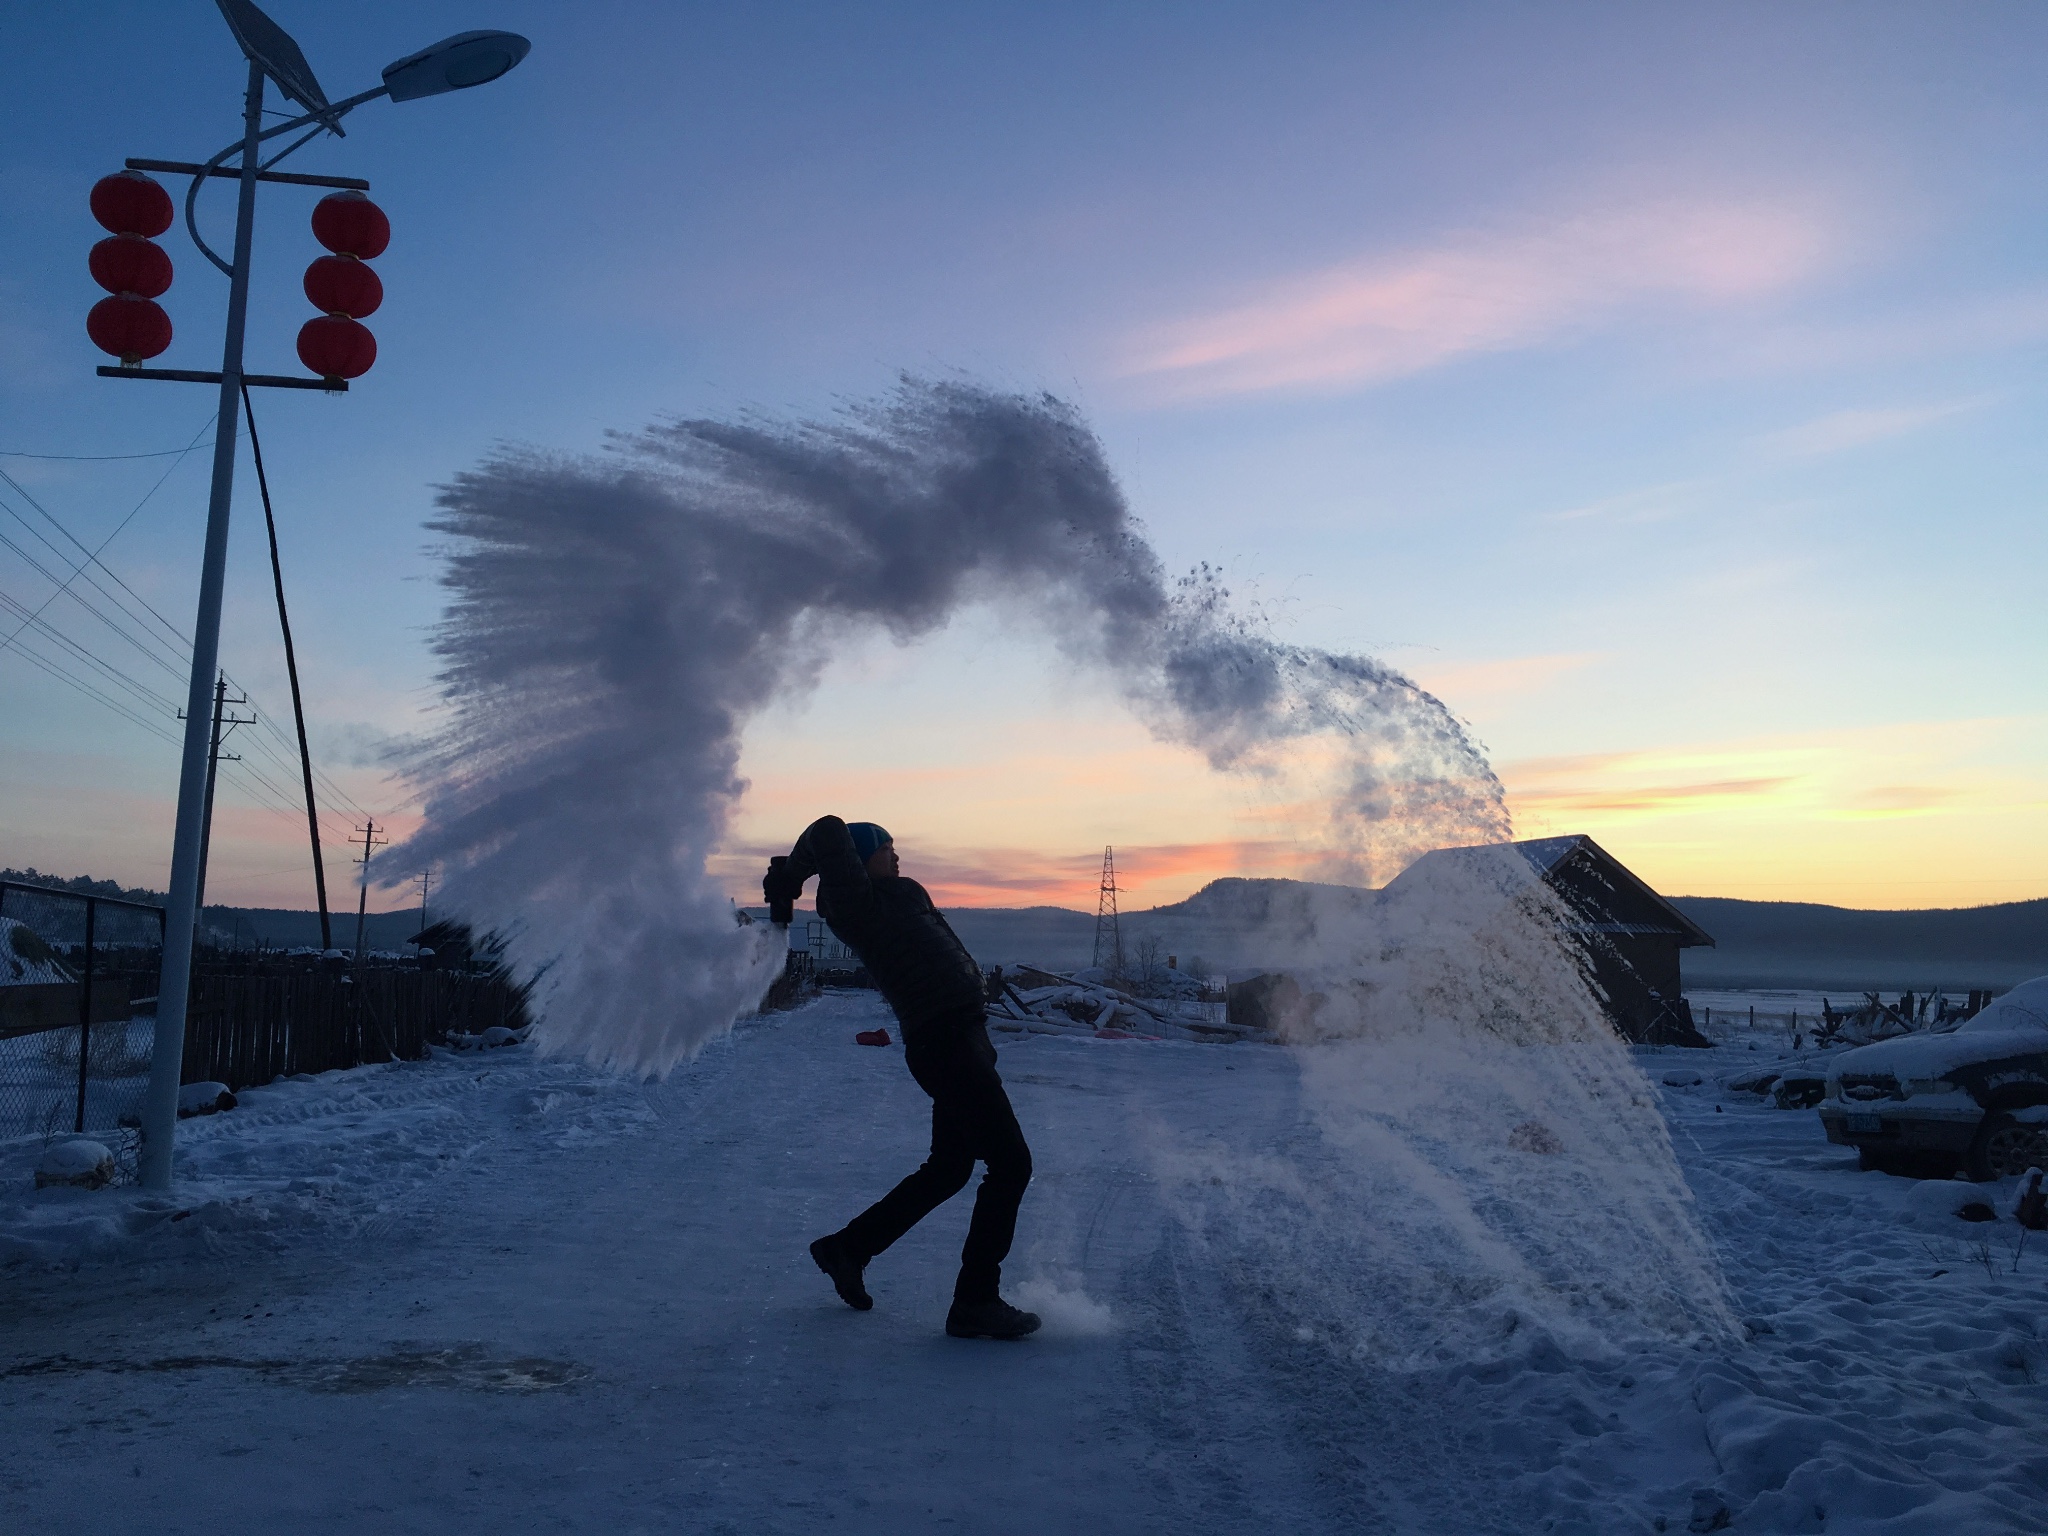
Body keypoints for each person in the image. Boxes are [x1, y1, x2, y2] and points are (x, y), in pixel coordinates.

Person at [764, 816, 1040, 1340]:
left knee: (950, 1168)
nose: (897, 857)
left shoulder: (899, 896)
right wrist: (792, 881)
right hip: (944, 1041)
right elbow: (826, 828)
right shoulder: (854, 904)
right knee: (1011, 1164)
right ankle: (975, 1301)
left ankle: (847, 1249)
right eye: (888, 848)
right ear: (861, 856)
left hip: (962, 1037)